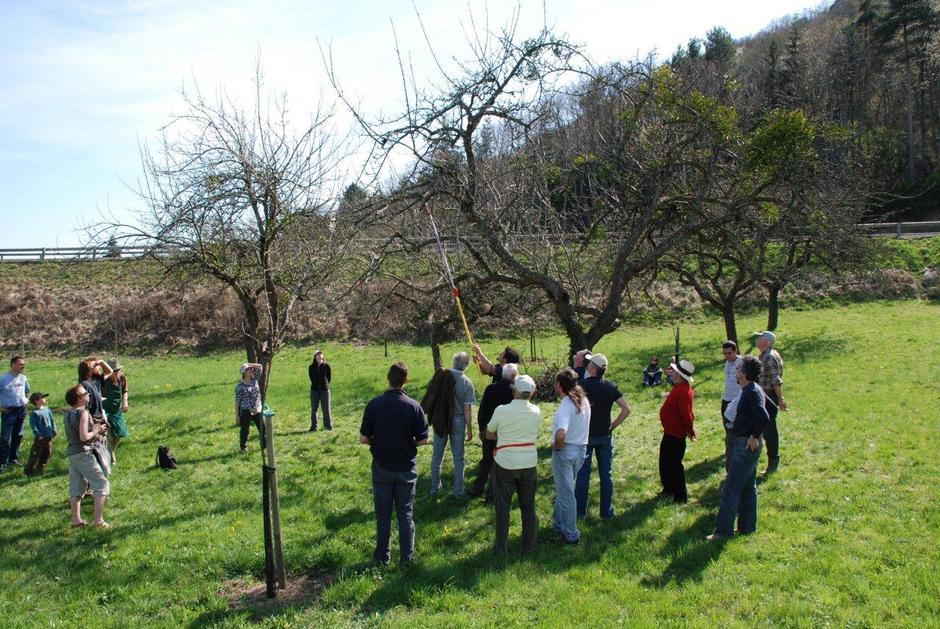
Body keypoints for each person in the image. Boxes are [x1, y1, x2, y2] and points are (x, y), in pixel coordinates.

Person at [359, 362, 430, 566]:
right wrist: (408, 442)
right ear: (406, 380)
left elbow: (363, 439)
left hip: (381, 466)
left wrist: (378, 440)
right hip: (406, 467)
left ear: (387, 378)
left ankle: (382, 557)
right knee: (405, 514)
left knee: (383, 516)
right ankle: (406, 559)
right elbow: (424, 439)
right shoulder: (414, 406)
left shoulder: (374, 404)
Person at [708, 355, 770, 541]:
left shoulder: (751, 391)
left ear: (744, 373)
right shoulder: (750, 389)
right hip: (742, 443)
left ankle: (723, 532)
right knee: (748, 487)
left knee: (730, 488)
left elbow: (764, 417)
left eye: (738, 368)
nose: (736, 371)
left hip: (744, 445)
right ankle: (747, 528)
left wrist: (754, 436)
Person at [572, 351, 630, 520]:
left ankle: (580, 512)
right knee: (606, 474)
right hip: (605, 435)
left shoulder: (581, 386)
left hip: (586, 436)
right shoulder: (611, 386)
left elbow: (573, 409)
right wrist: (613, 426)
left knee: (583, 475)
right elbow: (626, 409)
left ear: (591, 367)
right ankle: (606, 512)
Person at [486, 374, 541, 554]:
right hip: (528, 463)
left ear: (514, 391)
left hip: (506, 463)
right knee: (528, 506)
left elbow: (489, 433)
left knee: (503, 507)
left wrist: (502, 436)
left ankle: (501, 548)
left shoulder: (502, 410)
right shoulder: (536, 411)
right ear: (531, 393)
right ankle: (529, 546)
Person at [551, 368, 590, 545]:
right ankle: (558, 523)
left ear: (559, 385)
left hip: (566, 452)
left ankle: (571, 533)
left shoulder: (566, 405)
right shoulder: (584, 400)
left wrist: (558, 449)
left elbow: (560, 434)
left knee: (566, 494)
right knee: (564, 489)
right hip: (581, 450)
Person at [468, 363, 518, 502]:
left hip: (488, 430)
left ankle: (477, 488)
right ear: (514, 376)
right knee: (499, 464)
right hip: (504, 433)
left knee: (486, 461)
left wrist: (481, 428)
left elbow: (482, 410)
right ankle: (491, 495)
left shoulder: (491, 388)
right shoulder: (514, 391)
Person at [429, 352, 475, 497]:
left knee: (437, 456)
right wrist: (469, 429)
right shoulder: (467, 382)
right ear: (466, 365)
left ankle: (434, 489)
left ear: (454, 362)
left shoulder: (442, 377)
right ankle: (458, 491)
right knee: (459, 459)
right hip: (458, 420)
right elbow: (467, 409)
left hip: (440, 419)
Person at [64, 384, 110, 528]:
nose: (88, 394)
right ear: (79, 398)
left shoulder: (67, 414)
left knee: (76, 486)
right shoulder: (83, 413)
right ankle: (99, 521)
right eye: (85, 393)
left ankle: (76, 521)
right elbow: (84, 437)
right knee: (101, 483)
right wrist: (97, 430)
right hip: (83, 453)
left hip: (72, 453)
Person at [659, 359, 696, 503]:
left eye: (673, 372)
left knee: (675, 465)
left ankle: (680, 496)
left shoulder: (684, 391)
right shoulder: (679, 387)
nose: (671, 373)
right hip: (669, 432)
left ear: (679, 376)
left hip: (676, 435)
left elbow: (687, 414)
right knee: (665, 462)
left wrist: (690, 430)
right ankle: (668, 488)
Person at [754, 331, 787, 474]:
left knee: (769, 430)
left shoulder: (769, 357)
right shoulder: (764, 356)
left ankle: (773, 460)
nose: (756, 339)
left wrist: (780, 399)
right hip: (763, 396)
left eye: (759, 337)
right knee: (764, 428)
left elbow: (776, 381)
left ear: (766, 342)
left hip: (768, 397)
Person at [0, 355, 30, 471]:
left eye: (23, 364)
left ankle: (14, 459)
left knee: (18, 435)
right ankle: (3, 462)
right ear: (13, 365)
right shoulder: (3, 379)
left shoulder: (23, 378)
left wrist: (25, 400)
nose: (23, 366)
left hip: (21, 411)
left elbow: (27, 391)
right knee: (5, 438)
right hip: (8, 412)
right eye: (20, 364)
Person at [101, 360, 129, 462]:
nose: (117, 372)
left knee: (120, 432)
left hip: (117, 409)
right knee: (108, 433)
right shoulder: (103, 380)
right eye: (114, 370)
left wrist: (125, 402)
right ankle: (112, 459)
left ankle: (111, 450)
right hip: (105, 409)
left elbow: (125, 391)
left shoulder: (121, 378)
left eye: (118, 369)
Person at [24, 391, 56, 476]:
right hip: (40, 438)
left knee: (46, 453)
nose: (45, 399)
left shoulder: (47, 409)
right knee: (35, 454)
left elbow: (52, 420)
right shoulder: (34, 413)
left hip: (48, 437)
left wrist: (54, 430)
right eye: (43, 397)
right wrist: (39, 435)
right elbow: (33, 426)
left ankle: (40, 468)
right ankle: (28, 471)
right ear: (36, 400)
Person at [235, 362, 264, 452]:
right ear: (244, 373)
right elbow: (237, 401)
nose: (252, 370)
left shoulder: (255, 379)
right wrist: (237, 415)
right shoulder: (240, 386)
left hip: (256, 409)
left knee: (262, 427)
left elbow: (260, 366)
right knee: (245, 430)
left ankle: (264, 445)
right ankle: (243, 447)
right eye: (249, 369)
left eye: (251, 369)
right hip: (246, 410)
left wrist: (248, 364)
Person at [308, 350, 332, 431]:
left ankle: (328, 427)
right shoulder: (311, 367)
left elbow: (328, 378)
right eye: (317, 355)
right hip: (314, 391)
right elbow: (311, 378)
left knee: (326, 409)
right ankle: (313, 427)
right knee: (314, 409)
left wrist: (324, 385)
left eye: (321, 355)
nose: (319, 357)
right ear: (315, 357)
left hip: (325, 391)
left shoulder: (326, 366)